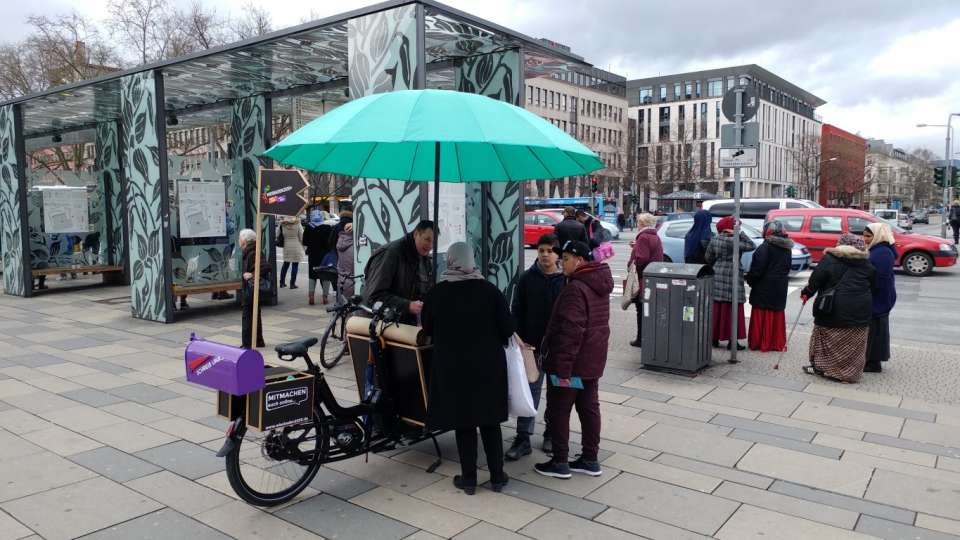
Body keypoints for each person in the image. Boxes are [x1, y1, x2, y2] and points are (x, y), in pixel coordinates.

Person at [422, 242, 512, 495]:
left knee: (464, 424)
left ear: (450, 261)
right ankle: (497, 477)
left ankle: (469, 480)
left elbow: (427, 328)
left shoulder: (437, 294)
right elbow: (507, 328)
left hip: (453, 369)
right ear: (472, 260)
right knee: (490, 422)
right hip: (488, 369)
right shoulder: (490, 291)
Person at [535, 240, 613, 479]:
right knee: (589, 409)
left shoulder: (576, 289)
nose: (562, 263)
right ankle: (590, 459)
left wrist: (563, 369)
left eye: (565, 259)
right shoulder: (598, 283)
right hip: (592, 360)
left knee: (559, 410)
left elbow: (571, 332)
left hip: (572, 364)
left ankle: (560, 461)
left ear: (579, 261)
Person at [506, 233, 564, 461]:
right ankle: (523, 438)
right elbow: (516, 309)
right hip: (532, 347)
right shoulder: (527, 278)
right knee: (529, 392)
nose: (545, 255)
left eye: (550, 251)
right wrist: (519, 337)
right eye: (541, 251)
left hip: (558, 348)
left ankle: (551, 432)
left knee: (557, 392)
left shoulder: (565, 280)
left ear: (557, 254)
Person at [800, 234, 876, 383]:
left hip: (832, 308)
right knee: (855, 344)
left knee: (826, 340)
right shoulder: (866, 264)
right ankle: (849, 374)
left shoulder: (829, 259)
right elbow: (874, 286)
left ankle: (823, 368)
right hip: (861, 310)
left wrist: (806, 293)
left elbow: (815, 280)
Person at [362, 220, 435, 325]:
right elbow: (374, 296)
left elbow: (424, 290)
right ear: (416, 234)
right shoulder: (390, 253)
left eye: (434, 242)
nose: (430, 245)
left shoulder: (425, 259)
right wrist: (407, 305)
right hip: (380, 323)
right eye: (427, 239)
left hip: (404, 322)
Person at [706, 216, 755, 353]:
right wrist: (739, 234)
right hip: (733, 273)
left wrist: (718, 263)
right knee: (732, 308)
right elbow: (752, 245)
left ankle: (714, 338)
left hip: (718, 271)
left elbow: (708, 257)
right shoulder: (734, 241)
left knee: (718, 307)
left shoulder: (715, 239)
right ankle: (732, 341)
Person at [746, 221, 794, 352]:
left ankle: (759, 342)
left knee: (762, 313)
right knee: (775, 314)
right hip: (779, 286)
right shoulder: (786, 248)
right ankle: (775, 342)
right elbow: (787, 267)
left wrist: (750, 279)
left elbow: (757, 269)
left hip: (764, 286)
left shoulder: (765, 247)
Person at [864, 222, 897, 373]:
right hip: (878, 295)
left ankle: (874, 363)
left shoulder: (882, 252)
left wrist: (869, 291)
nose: (865, 239)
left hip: (879, 297)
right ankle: (870, 360)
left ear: (878, 235)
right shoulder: (878, 249)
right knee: (874, 329)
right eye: (864, 235)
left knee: (877, 330)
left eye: (868, 236)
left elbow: (880, 278)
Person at [628, 213, 663, 347]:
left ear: (642, 224)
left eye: (638, 222)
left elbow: (642, 258)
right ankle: (648, 337)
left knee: (641, 309)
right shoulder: (654, 236)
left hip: (643, 277)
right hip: (653, 276)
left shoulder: (643, 237)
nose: (637, 225)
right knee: (648, 310)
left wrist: (631, 264)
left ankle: (641, 339)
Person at [240, 228, 269, 349]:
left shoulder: (253, 251)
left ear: (245, 240)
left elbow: (265, 267)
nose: (239, 241)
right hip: (251, 288)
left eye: (240, 238)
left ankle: (247, 343)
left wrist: (252, 274)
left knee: (247, 315)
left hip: (251, 289)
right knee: (254, 314)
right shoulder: (250, 250)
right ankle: (258, 341)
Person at [302, 209, 336, 305]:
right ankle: (325, 296)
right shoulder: (327, 227)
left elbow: (304, 241)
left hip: (313, 255)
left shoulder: (309, 227)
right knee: (325, 275)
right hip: (324, 255)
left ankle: (311, 295)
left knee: (312, 275)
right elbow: (331, 241)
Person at [278, 216, 305, 290]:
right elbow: (302, 236)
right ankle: (292, 284)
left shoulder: (282, 224)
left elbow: (277, 234)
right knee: (295, 265)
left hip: (286, 246)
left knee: (285, 264)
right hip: (296, 246)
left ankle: (282, 282)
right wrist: (304, 246)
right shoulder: (297, 223)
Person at [335, 211, 355, 303]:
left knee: (344, 311)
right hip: (353, 283)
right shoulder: (355, 245)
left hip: (342, 281)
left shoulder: (340, 238)